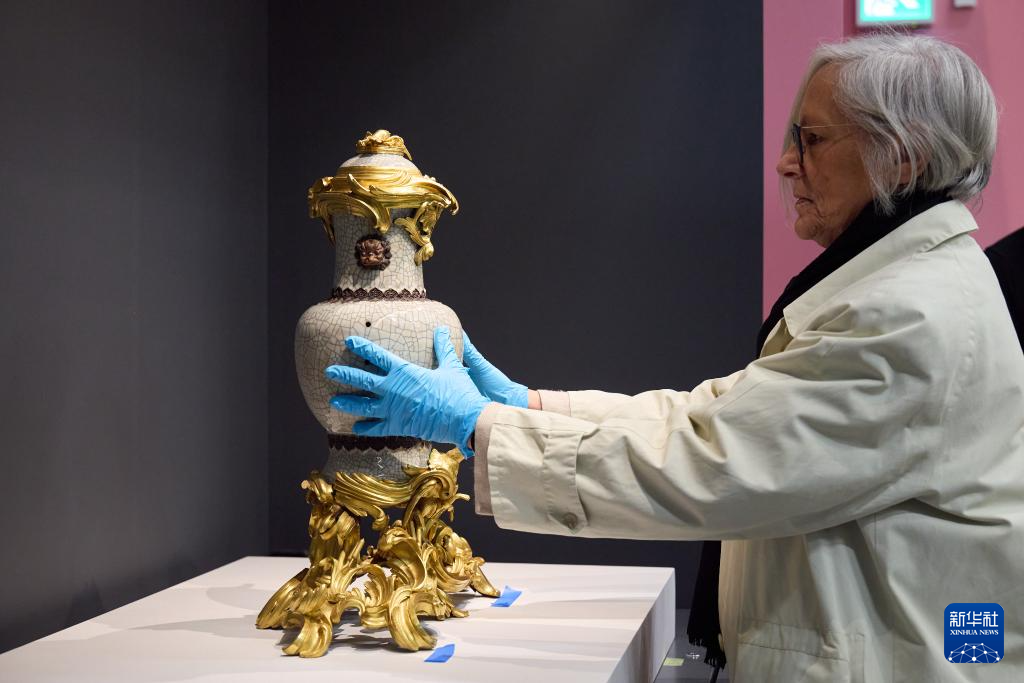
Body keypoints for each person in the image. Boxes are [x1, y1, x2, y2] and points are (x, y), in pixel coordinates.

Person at [325, 33, 1024, 682]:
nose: (787, 162)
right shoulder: (898, 283)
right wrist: (527, 406)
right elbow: (723, 414)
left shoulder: (907, 313)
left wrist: (480, 428)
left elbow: (716, 465)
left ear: (904, 156)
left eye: (811, 139)